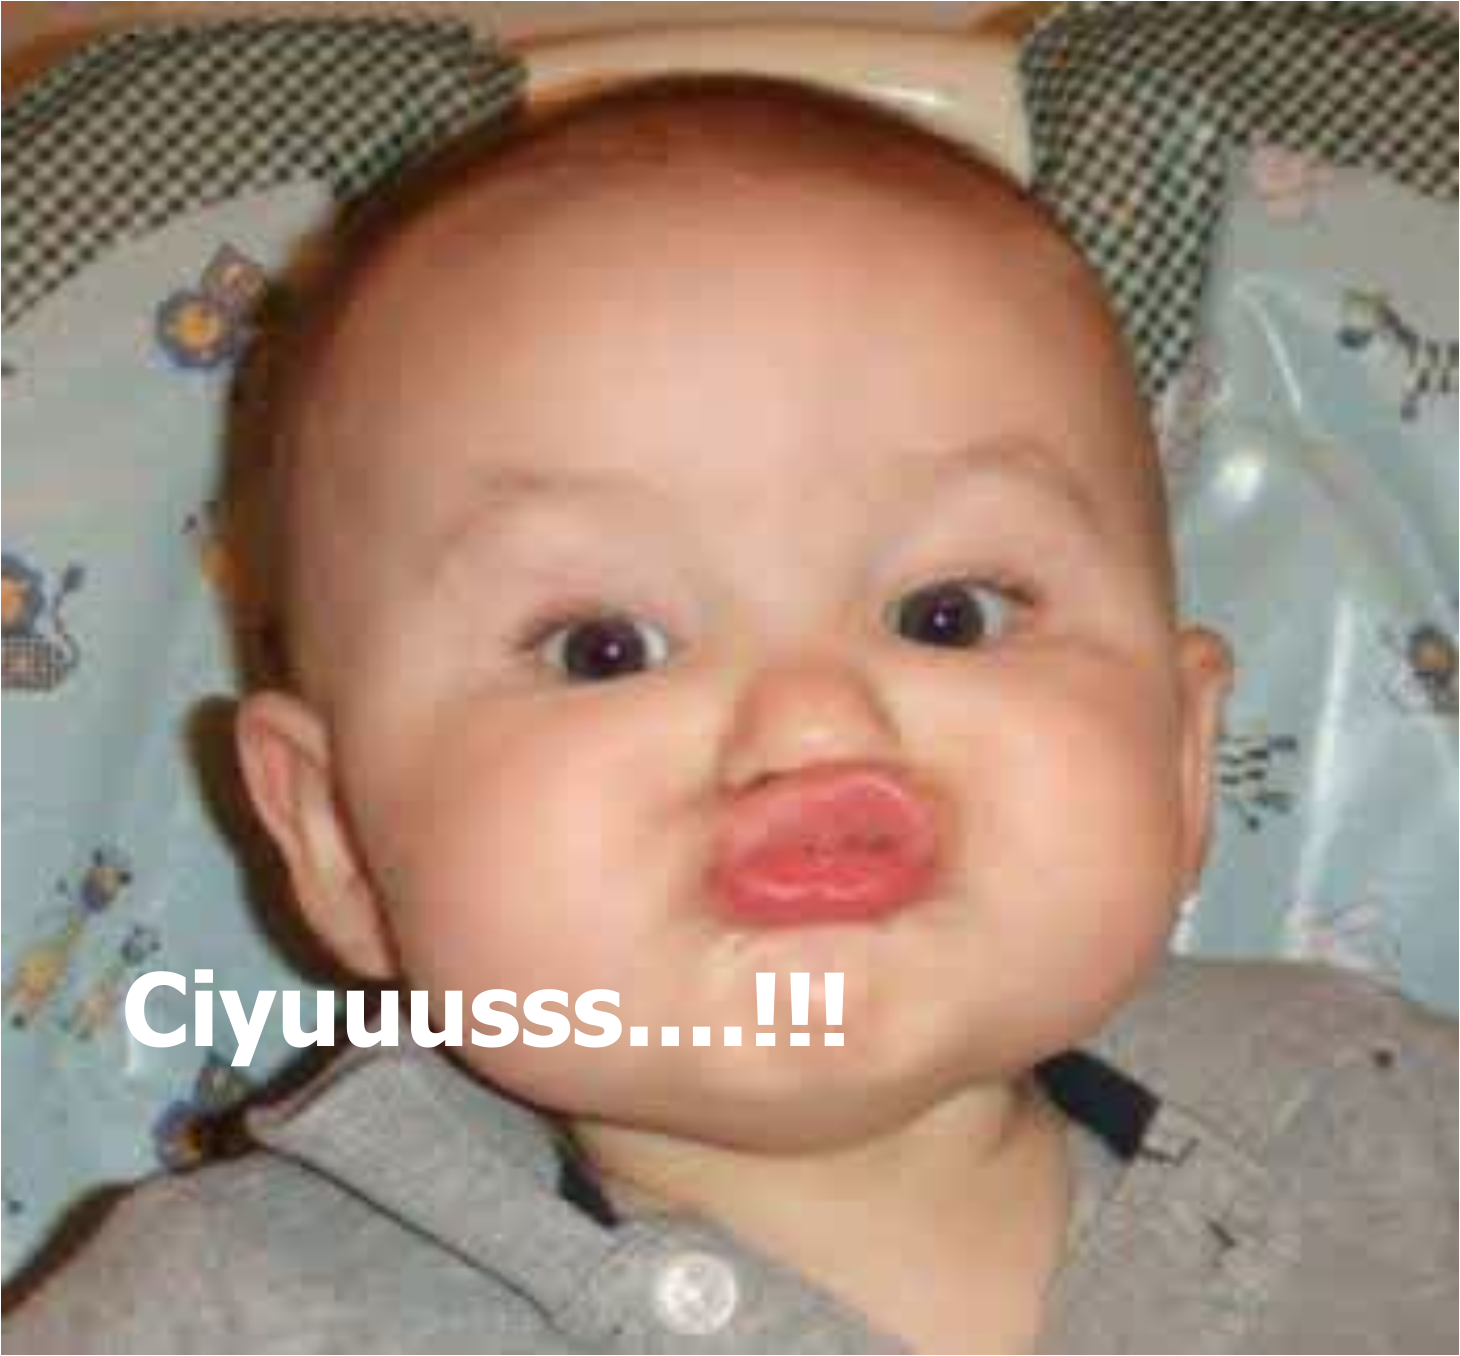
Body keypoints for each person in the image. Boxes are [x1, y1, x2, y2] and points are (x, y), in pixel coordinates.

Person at [7, 76, 1454, 1355]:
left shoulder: (1388, 1125)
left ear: (1181, 756)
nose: (814, 715)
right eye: (604, 648)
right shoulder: (211, 1317)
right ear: (336, 837)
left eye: (949, 615)